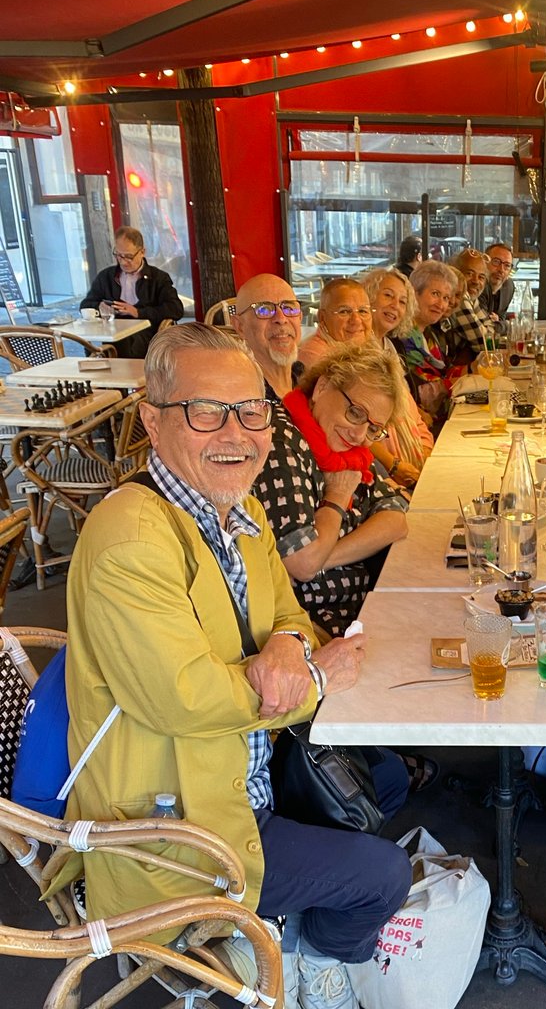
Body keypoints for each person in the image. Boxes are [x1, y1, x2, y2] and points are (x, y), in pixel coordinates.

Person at [62, 324, 412, 1008]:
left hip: (245, 765)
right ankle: (313, 967)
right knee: (384, 875)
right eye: (206, 411)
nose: (236, 434)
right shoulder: (132, 540)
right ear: (153, 422)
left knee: (388, 780)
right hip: (178, 828)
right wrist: (315, 678)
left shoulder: (237, 509)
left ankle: (281, 930)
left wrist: (286, 644)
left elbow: (289, 610)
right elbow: (187, 699)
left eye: (251, 412)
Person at [255, 344, 409, 637]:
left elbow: (395, 518)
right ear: (322, 387)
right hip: (312, 627)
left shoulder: (345, 451)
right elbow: (302, 561)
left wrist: (324, 556)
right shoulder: (281, 442)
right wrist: (337, 497)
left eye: (373, 428)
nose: (359, 434)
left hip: (359, 609)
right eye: (355, 413)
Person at [362, 268, 435, 484]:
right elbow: (361, 427)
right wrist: (393, 465)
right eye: (388, 295)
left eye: (403, 302)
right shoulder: (357, 351)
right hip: (383, 470)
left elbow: (410, 411)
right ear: (368, 296)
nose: (395, 305)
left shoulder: (390, 347)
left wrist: (425, 448)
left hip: (410, 461)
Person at [80, 226, 184, 357]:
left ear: (142, 252)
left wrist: (138, 312)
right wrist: (99, 306)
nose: (123, 262)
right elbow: (85, 305)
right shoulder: (106, 277)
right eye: (119, 255)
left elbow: (176, 309)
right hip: (113, 333)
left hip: (146, 335)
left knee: (129, 341)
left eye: (129, 256)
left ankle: (122, 368)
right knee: (90, 345)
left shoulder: (158, 278)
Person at [396, 261, 466, 418]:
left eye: (446, 298)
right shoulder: (401, 337)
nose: (441, 304)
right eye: (435, 294)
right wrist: (466, 378)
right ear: (414, 293)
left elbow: (445, 373)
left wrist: (472, 370)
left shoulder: (429, 334)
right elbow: (420, 393)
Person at [230, 273, 304, 399]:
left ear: (300, 317)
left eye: (289, 308)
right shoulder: (243, 397)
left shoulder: (307, 380)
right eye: (264, 310)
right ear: (240, 326)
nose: (281, 319)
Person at [298, 276, 372, 365]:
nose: (356, 320)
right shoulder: (316, 358)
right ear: (322, 317)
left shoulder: (369, 346)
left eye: (362, 311)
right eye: (344, 312)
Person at [442, 247, 493, 357]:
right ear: (457, 273)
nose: (476, 281)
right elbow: (483, 343)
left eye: (481, 277)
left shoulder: (472, 299)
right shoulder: (460, 297)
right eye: (469, 274)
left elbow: (490, 335)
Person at [480, 242, 515, 318]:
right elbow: (483, 321)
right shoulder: (478, 285)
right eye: (496, 261)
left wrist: (498, 321)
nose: (501, 269)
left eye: (507, 265)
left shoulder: (509, 287)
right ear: (484, 262)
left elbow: (502, 318)